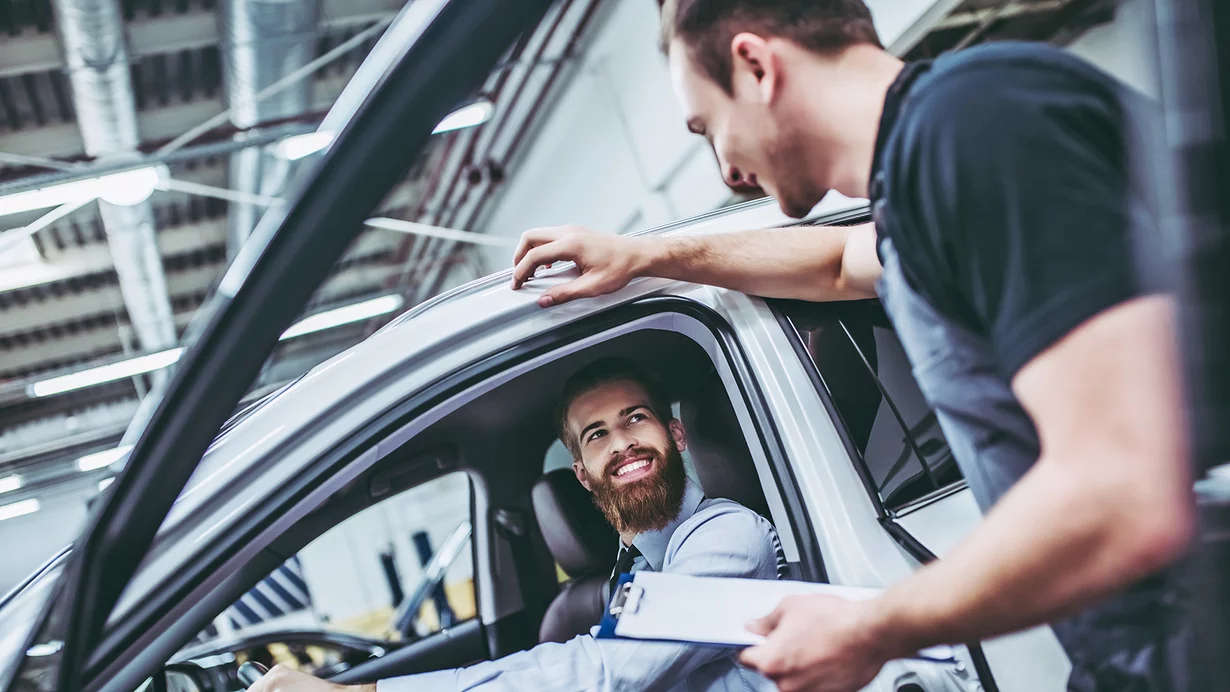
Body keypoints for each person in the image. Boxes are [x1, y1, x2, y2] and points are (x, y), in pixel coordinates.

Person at [509, 1, 1196, 691]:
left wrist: (870, 626)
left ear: (755, 65)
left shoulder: (980, 127)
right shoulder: (924, 178)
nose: (725, 167)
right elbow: (836, 263)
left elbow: (1124, 495)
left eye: (709, 127)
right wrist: (646, 255)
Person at [249, 357, 784, 692]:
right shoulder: (638, 573)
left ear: (676, 435)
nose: (621, 444)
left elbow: (607, 671)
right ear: (581, 474)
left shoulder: (729, 538)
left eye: (635, 419)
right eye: (596, 435)